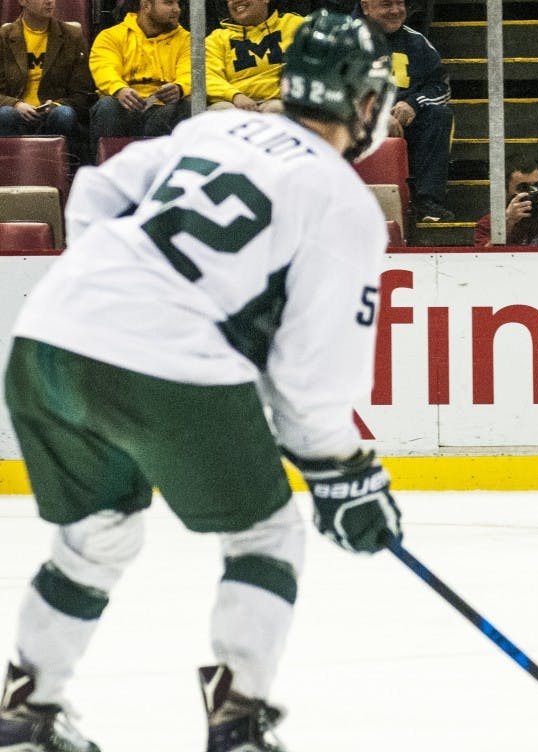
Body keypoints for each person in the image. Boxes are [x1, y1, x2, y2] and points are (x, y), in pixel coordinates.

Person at [0, 10, 401, 751]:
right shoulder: (343, 203)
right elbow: (312, 381)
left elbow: (92, 194)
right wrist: (344, 472)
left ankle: (26, 711)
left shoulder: (213, 128)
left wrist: (122, 294)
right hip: (164, 361)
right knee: (266, 536)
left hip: (47, 337)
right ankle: (237, 720)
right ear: (365, 101)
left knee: (95, 535)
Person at [358, 0, 454, 222]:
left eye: (399, 3)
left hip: (405, 122)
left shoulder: (416, 42)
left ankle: (428, 202)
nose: (395, 11)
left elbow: (441, 86)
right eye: (386, 5)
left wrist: (414, 103)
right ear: (366, 7)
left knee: (438, 116)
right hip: (358, 123)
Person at [87, 0, 191, 158]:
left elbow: (191, 71)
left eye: (178, 4)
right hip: (125, 105)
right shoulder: (110, 36)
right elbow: (104, 67)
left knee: (185, 108)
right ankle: (108, 170)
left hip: (164, 107)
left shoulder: (186, 39)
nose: (177, 9)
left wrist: (179, 87)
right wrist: (120, 89)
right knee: (107, 106)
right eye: (169, 3)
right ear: (146, 6)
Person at [0, 0, 93, 140]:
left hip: (54, 113)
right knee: (5, 114)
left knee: (64, 114)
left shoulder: (72, 35)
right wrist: (16, 104)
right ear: (23, 1)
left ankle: (64, 160)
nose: (49, 1)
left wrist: (55, 105)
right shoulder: (4, 36)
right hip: (16, 112)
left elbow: (82, 93)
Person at [205, 0, 304, 112]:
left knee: (277, 108)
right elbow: (207, 76)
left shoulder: (296, 25)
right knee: (221, 110)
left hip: (282, 101)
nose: (235, 1)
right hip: (234, 104)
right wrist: (234, 96)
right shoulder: (216, 39)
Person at [472, 154, 538, 247]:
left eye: (536, 186)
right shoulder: (489, 223)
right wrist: (508, 223)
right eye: (523, 188)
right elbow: (484, 259)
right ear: (504, 190)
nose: (531, 193)